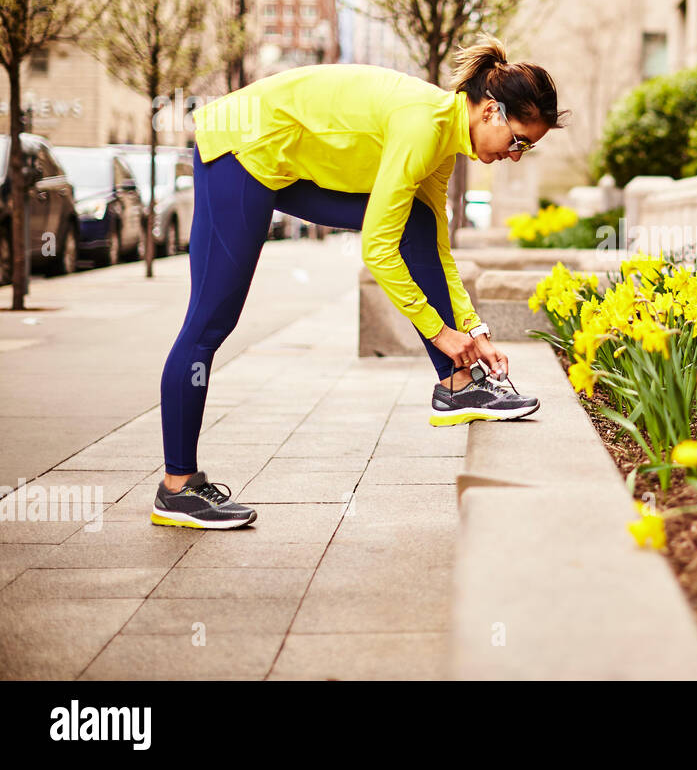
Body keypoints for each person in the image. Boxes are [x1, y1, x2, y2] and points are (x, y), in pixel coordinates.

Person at [151, 34, 569, 530]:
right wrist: (440, 332)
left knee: (417, 220)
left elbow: (434, 243)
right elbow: (377, 247)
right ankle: (177, 486)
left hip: (283, 160)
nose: (516, 156)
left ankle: (458, 383)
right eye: (519, 141)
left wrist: (473, 331)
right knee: (209, 322)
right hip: (242, 151)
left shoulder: (443, 136)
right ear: (492, 112)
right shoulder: (423, 127)